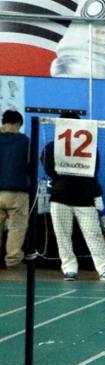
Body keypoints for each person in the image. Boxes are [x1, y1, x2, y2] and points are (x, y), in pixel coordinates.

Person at [41, 132, 105, 282]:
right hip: (60, 197)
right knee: (62, 236)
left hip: (85, 198)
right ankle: (69, 269)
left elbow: (93, 169)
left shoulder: (90, 147)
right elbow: (49, 169)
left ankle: (104, 268)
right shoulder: (51, 147)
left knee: (94, 235)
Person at [0, 110, 31, 268]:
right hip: (17, 191)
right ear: (19, 123)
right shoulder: (25, 141)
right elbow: (30, 166)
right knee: (17, 227)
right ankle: (12, 260)